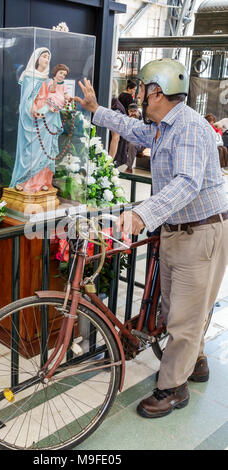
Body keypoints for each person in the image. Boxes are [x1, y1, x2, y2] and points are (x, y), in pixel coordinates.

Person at [74, 58, 228, 419]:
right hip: (180, 229)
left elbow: (187, 183)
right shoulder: (163, 125)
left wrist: (143, 214)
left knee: (184, 317)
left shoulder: (188, 127)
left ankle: (173, 388)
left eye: (142, 89)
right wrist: (97, 111)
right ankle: (198, 360)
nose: (139, 95)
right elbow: (132, 129)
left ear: (156, 92)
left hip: (201, 231)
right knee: (180, 308)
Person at [10, 48, 63, 193]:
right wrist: (32, 108)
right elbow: (25, 100)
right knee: (32, 151)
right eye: (44, 56)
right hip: (33, 117)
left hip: (47, 117)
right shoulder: (28, 76)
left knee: (45, 150)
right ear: (37, 58)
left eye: (48, 57)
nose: (46, 59)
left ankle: (42, 182)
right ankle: (25, 181)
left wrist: (54, 104)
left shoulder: (48, 79)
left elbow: (53, 95)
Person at [109, 79, 128, 167]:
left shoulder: (115, 108)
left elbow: (116, 137)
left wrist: (108, 163)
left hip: (112, 155)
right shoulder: (113, 104)